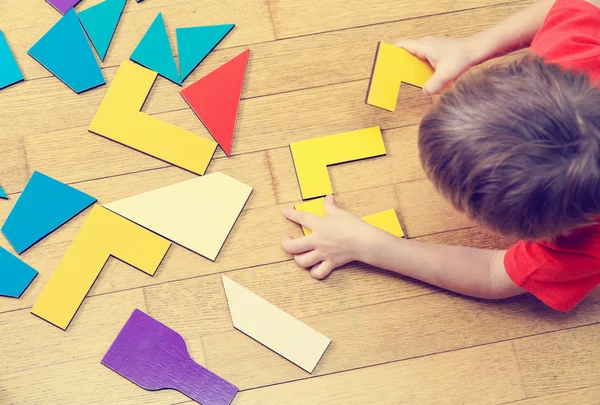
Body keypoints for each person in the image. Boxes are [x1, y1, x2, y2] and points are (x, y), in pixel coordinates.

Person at [281, 0, 600, 312]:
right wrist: (474, 47)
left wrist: (372, 247)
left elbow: (492, 274)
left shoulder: (584, 246)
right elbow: (572, 6)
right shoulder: (575, 51)